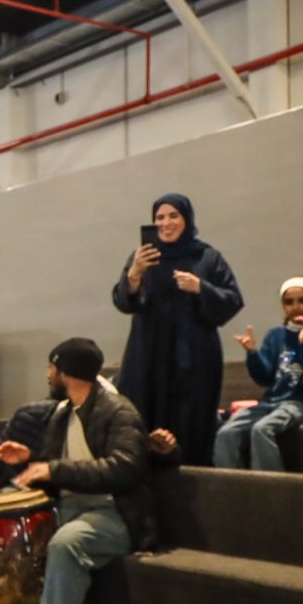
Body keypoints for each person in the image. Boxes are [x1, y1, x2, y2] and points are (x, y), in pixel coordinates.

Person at [0, 339, 149, 604]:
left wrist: (52, 469)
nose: (48, 375)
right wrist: (29, 458)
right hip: (66, 507)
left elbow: (125, 469)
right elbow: (54, 466)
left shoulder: (119, 411)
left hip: (113, 513)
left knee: (66, 545)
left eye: (51, 367)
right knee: (1, 527)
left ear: (64, 372)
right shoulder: (64, 413)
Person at [113, 192, 244, 465]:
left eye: (173, 216)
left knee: (191, 425)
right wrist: (134, 275)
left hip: (194, 359)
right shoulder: (142, 258)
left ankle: (193, 484)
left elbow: (233, 300)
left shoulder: (207, 257)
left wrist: (201, 287)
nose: (165, 223)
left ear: (187, 219)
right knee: (143, 420)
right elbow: (123, 302)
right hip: (148, 355)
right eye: (159, 217)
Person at [215, 276, 303, 472]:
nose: (296, 307)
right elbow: (264, 378)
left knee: (262, 429)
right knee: (226, 432)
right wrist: (252, 354)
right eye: (289, 302)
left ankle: (269, 486)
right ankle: (230, 484)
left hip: (302, 403)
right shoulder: (275, 336)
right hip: (271, 402)